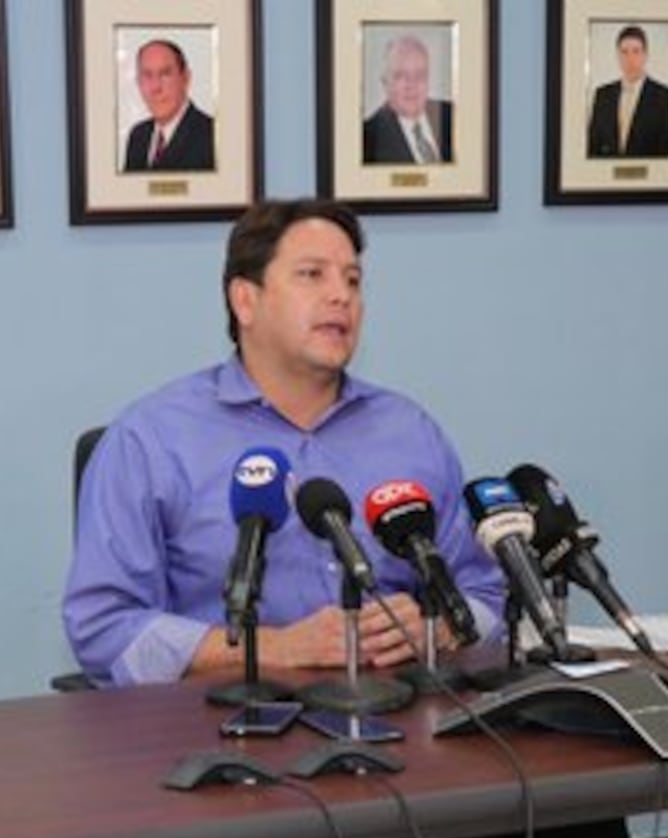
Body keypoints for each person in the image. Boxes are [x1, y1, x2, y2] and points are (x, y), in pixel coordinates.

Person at [63, 198, 504, 687]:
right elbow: (103, 628)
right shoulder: (151, 439)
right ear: (245, 300)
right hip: (223, 730)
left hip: (397, 718)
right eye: (313, 275)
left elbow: (487, 594)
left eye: (353, 280)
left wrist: (436, 630)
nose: (342, 296)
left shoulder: (410, 432)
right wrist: (272, 649)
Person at [123, 38, 214, 173]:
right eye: (147, 75)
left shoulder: (212, 137)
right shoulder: (138, 136)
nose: (155, 87)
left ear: (186, 78)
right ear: (138, 82)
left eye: (165, 74)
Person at [362, 34, 453, 164]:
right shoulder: (366, 140)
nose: (411, 85)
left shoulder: (453, 116)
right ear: (385, 82)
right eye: (400, 76)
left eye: (420, 75)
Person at [586, 25, 668, 159]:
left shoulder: (665, 96)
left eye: (636, 51)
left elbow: (666, 151)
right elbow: (592, 147)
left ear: (645, 55)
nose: (630, 59)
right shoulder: (602, 95)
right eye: (624, 52)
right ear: (617, 56)